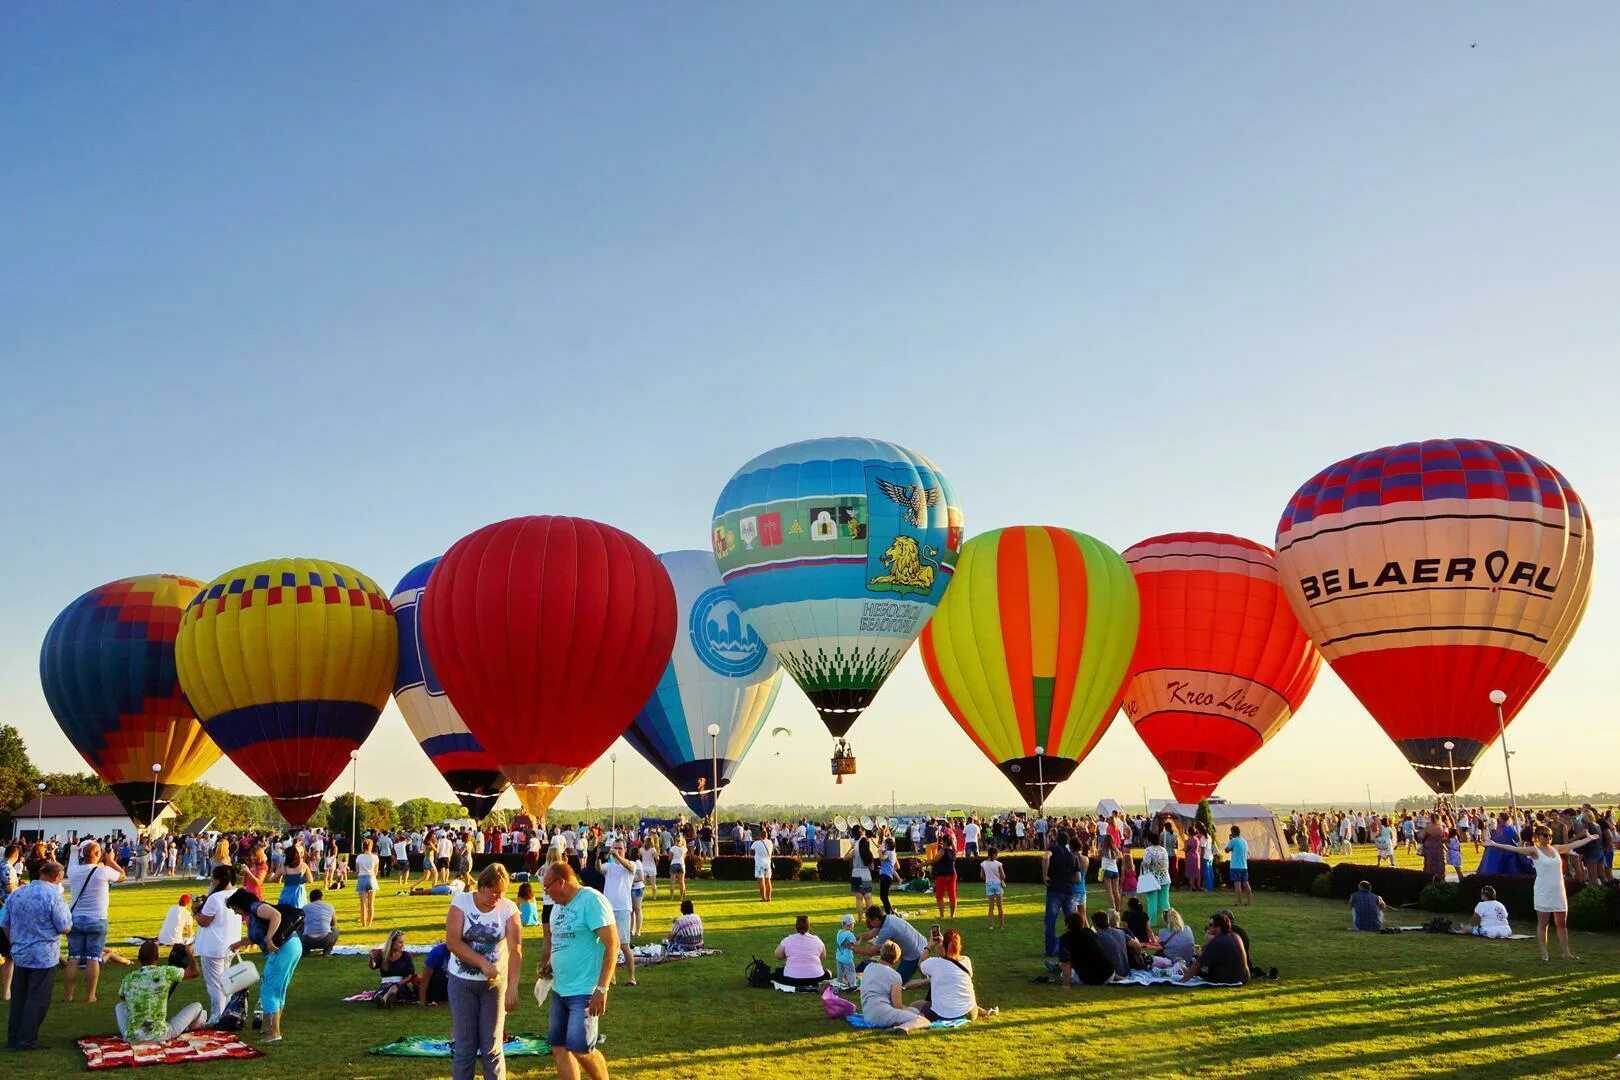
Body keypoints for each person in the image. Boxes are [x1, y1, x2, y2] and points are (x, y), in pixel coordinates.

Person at [539, 860, 617, 1080]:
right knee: (559, 1047)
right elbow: (560, 942)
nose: (546, 892)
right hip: (560, 988)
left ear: (561, 882)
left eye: (547, 887)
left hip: (584, 990)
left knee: (581, 1048)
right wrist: (549, 966)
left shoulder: (591, 901)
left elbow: (613, 944)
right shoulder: (556, 908)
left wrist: (602, 989)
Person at [445, 863, 523, 1080]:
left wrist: (512, 987)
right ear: (482, 887)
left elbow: (515, 949)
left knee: (492, 1046)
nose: (498, 897)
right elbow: (452, 942)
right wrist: (481, 963)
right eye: (494, 892)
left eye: (502, 892)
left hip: (495, 986)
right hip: (462, 982)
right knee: (465, 1046)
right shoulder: (461, 902)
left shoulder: (509, 909)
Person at [1485, 824, 1594, 961]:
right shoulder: (1534, 850)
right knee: (1543, 923)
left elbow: (1573, 844)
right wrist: (1494, 844)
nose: (1549, 838)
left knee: (1561, 923)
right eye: (1545, 835)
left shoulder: (1556, 849)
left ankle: (1566, 953)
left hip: (1558, 890)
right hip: (1543, 890)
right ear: (1538, 837)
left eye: (1550, 836)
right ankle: (1544, 953)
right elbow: (1515, 849)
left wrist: (1588, 839)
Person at [0, 861, 71, 1050]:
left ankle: (14, 1037)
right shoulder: (53, 896)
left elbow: (4, 922)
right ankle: (27, 1039)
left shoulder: (18, 893)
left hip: (20, 952)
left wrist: (15, 940)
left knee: (19, 997)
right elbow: (64, 926)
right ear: (57, 876)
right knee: (37, 998)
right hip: (44, 955)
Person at [225, 887, 302, 1042]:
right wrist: (240, 943)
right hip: (290, 946)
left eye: (235, 908)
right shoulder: (253, 915)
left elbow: (276, 916)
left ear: (240, 904)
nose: (235, 912)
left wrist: (269, 938)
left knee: (268, 989)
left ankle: (274, 1032)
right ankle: (270, 1027)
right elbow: (256, 936)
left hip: (283, 948)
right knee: (278, 989)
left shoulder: (256, 907)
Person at [64, 841, 125, 1003]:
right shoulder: (103, 871)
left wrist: (76, 850)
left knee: (73, 958)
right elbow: (122, 876)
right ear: (98, 854)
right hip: (97, 918)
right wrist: (111, 861)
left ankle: (68, 995)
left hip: (76, 918)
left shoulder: (74, 871)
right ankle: (90, 995)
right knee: (93, 958)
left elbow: (73, 856)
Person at [115, 939, 204, 1043]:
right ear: (157, 957)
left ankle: (134, 1031)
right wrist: (188, 952)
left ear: (139, 958)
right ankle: (192, 1028)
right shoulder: (165, 972)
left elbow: (124, 998)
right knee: (197, 1007)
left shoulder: (128, 978)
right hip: (160, 1035)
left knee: (120, 1006)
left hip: (132, 1037)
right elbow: (195, 971)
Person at [193, 866, 243, 1024]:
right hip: (231, 943)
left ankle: (218, 1016)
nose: (211, 882)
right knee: (225, 981)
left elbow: (204, 921)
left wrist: (195, 911)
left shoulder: (215, 898)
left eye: (213, 879)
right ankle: (226, 1013)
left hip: (213, 947)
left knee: (215, 984)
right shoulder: (238, 893)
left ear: (219, 880)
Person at [916, 928, 993, 1020]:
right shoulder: (966, 961)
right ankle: (984, 1011)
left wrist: (929, 946)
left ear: (944, 946)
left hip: (942, 1015)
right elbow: (951, 963)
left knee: (916, 1005)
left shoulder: (935, 963)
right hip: (970, 1013)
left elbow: (921, 964)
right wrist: (944, 947)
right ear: (959, 946)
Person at [856, 941, 928, 1033]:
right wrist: (915, 1013)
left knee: (913, 1010)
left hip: (868, 1014)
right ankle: (902, 1028)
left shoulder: (869, 967)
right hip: (882, 1014)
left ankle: (900, 1024)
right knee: (923, 1020)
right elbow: (897, 1005)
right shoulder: (894, 976)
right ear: (896, 958)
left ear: (881, 953)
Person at [854, 906, 928, 981]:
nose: (869, 924)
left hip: (914, 955)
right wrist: (852, 938)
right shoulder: (888, 918)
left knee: (898, 982)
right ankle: (923, 968)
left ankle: (928, 980)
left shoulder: (887, 930)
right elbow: (870, 935)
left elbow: (871, 952)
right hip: (922, 944)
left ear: (876, 919)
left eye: (870, 921)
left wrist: (853, 948)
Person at [601, 841, 638, 987]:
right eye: (615, 848)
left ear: (625, 850)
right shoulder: (609, 866)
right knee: (609, 945)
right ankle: (612, 977)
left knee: (624, 945)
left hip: (623, 908)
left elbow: (629, 867)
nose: (617, 851)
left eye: (620, 848)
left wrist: (618, 856)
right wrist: (599, 856)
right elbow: (599, 869)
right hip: (608, 908)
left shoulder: (631, 864)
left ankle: (632, 977)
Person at [1182, 912, 1250, 984]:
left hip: (1229, 978)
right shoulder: (1236, 936)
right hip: (1244, 976)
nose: (1208, 927)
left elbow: (1198, 965)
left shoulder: (1217, 941)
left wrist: (1183, 980)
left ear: (1218, 928)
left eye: (1211, 925)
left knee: (1198, 966)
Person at [1041, 829, 1078, 958]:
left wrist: (1045, 875)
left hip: (1055, 889)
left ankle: (1050, 950)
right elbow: (1077, 878)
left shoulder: (1053, 849)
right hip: (1069, 891)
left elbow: (1046, 857)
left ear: (1056, 839)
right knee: (1073, 922)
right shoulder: (1071, 855)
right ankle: (1075, 947)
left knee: (1051, 921)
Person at [1056, 911, 1113, 987]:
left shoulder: (1065, 939)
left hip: (1093, 979)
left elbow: (1066, 964)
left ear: (1067, 925)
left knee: (1062, 968)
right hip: (1110, 973)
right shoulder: (1088, 931)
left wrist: (1066, 985)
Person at [772, 914, 828, 988]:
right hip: (815, 978)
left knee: (778, 972)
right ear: (808, 927)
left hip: (792, 979)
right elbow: (823, 956)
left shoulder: (788, 940)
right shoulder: (817, 940)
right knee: (827, 972)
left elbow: (778, 955)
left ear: (796, 927)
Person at [370, 930, 418, 1008]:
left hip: (400, 985)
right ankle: (387, 1001)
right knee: (390, 989)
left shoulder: (405, 955)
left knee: (394, 988)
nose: (402, 945)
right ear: (392, 942)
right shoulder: (382, 954)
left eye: (403, 942)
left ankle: (384, 1000)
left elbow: (410, 975)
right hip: (385, 985)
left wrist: (398, 984)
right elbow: (373, 966)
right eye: (400, 942)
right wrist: (371, 958)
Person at [301, 888, 339, 955]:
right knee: (335, 930)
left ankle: (305, 951)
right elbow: (334, 924)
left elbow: (301, 925)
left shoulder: (305, 908)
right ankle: (327, 952)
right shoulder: (329, 907)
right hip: (325, 940)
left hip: (308, 940)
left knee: (299, 930)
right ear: (321, 897)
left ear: (310, 899)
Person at [932, 835, 958, 920]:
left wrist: (921, 864)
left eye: (943, 841)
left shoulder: (943, 851)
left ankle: (942, 915)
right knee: (952, 895)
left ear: (945, 842)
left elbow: (934, 860)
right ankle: (952, 915)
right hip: (952, 874)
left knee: (939, 896)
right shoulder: (953, 851)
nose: (942, 842)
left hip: (942, 875)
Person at [355, 839, 379, 928]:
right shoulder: (375, 857)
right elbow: (376, 870)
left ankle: (363, 924)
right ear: (371, 847)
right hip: (371, 878)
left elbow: (357, 870)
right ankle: (369, 924)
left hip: (361, 878)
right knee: (371, 904)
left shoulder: (359, 857)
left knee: (363, 905)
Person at [849, 829, 874, 917]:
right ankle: (871, 918)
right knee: (868, 898)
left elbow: (845, 858)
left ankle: (860, 917)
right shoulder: (869, 854)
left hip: (856, 873)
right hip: (866, 874)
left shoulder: (855, 850)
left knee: (858, 899)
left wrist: (850, 848)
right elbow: (872, 867)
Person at [980, 847, 1006, 930]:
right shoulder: (998, 864)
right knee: (1000, 906)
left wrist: (988, 879)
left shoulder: (983, 863)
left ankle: (991, 925)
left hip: (989, 885)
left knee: (991, 907)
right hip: (997, 884)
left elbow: (981, 876)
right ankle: (1001, 925)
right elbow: (1003, 876)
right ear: (994, 854)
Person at [1225, 826, 1251, 906]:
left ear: (1232, 832)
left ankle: (1239, 902)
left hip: (1235, 866)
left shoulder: (1233, 840)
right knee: (1246, 884)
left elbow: (1226, 850)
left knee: (1237, 885)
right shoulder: (1244, 841)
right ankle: (1249, 901)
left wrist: (1230, 840)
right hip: (1244, 866)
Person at [833, 913, 857, 989]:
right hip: (847, 958)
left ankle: (839, 983)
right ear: (850, 925)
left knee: (840, 972)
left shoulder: (839, 933)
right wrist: (861, 939)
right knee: (851, 971)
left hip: (839, 956)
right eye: (853, 924)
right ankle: (853, 985)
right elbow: (854, 944)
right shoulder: (850, 935)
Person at [750, 831, 774, 903]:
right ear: (767, 835)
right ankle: (769, 898)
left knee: (761, 881)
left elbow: (751, 851)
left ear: (760, 835)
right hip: (767, 863)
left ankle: (763, 898)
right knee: (768, 881)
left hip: (759, 863)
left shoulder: (756, 843)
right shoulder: (770, 842)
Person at [667, 833, 687, 903]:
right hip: (681, 864)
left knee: (672, 882)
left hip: (673, 864)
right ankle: (681, 897)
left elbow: (669, 858)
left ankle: (671, 897)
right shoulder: (684, 848)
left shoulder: (672, 848)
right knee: (681, 882)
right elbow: (684, 857)